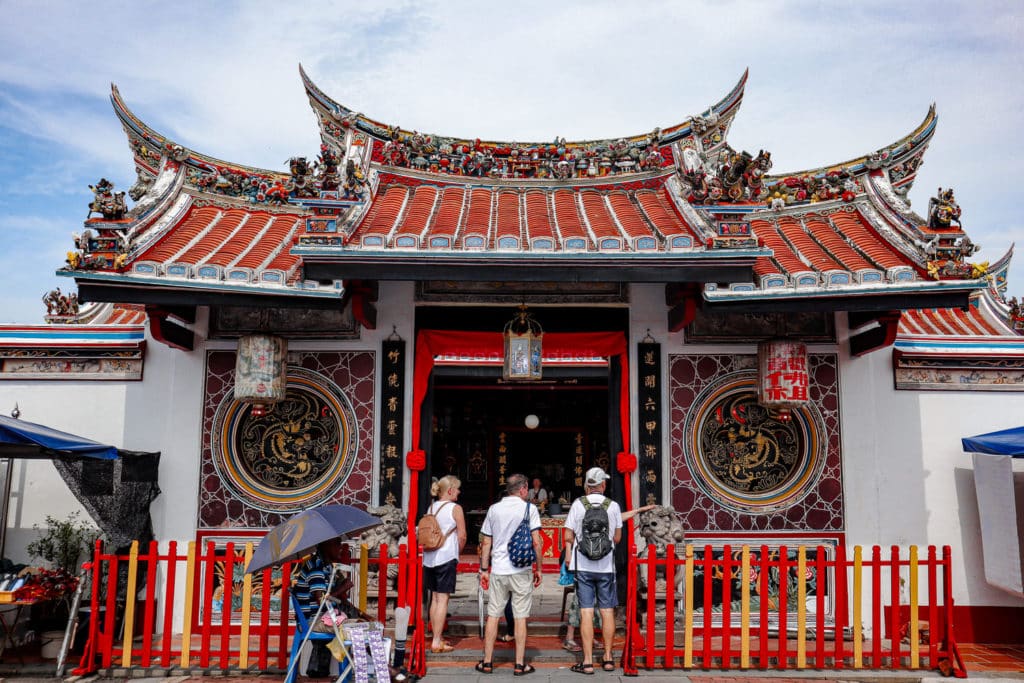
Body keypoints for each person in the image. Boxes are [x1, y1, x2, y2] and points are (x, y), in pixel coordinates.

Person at [561, 502, 654, 654]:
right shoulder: (581, 508)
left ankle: (589, 640)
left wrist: (638, 510)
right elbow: (568, 534)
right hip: (583, 565)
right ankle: (570, 637)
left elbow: (619, 517)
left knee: (593, 606)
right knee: (582, 604)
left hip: (595, 566)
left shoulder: (597, 510)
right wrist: (569, 554)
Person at [476, 473, 543, 675]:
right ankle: (520, 664)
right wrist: (539, 568)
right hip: (521, 570)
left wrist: (484, 569)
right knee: (521, 617)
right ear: (522, 489)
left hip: (499, 570)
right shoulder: (529, 509)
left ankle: (487, 662)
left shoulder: (494, 509)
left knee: (493, 615)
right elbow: (536, 542)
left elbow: (486, 541)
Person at [563, 467, 622, 675]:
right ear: (603, 485)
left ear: (588, 485)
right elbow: (617, 539)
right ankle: (607, 657)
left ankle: (587, 662)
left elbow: (568, 535)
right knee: (607, 611)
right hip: (606, 568)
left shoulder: (578, 505)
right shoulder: (613, 506)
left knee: (585, 611)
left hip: (584, 567)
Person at [293, 537, 372, 678]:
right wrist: (343, 588)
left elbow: (341, 601)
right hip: (314, 621)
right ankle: (364, 675)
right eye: (337, 544)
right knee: (359, 628)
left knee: (369, 625)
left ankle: (382, 669)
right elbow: (322, 602)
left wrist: (364, 614)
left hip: (329, 616)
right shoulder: (315, 568)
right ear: (326, 546)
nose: (341, 547)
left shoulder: (328, 568)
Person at [423, 475, 467, 653]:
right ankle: (436, 641)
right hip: (446, 557)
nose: (459, 491)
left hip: (429, 557)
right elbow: (462, 535)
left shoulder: (431, 506)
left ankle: (437, 636)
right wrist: (458, 552)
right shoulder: (455, 508)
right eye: (457, 488)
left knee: (434, 598)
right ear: (450, 490)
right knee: (443, 600)